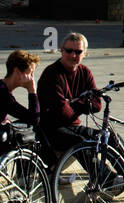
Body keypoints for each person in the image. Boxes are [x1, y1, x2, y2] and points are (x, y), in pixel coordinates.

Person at [37, 32, 102, 160]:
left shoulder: (84, 72)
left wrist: (71, 103)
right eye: (69, 51)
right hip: (52, 129)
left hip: (73, 126)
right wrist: (82, 103)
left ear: (84, 53)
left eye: (78, 52)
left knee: (109, 137)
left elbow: (97, 105)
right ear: (61, 51)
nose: (73, 55)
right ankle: (109, 178)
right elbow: (62, 113)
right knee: (80, 143)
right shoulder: (52, 74)